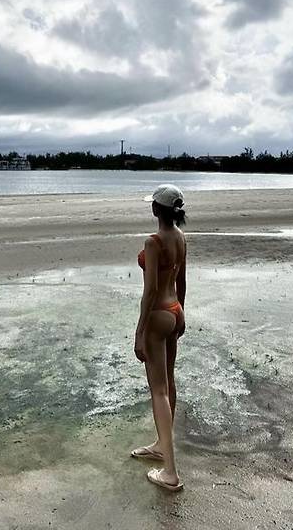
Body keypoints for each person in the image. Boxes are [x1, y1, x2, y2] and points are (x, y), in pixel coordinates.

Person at [131, 183, 187, 492]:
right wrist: (182, 314)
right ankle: (161, 444)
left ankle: (170, 472)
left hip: (157, 315)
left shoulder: (153, 243)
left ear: (156, 210)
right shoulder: (180, 237)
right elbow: (182, 281)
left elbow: (150, 291)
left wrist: (140, 331)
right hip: (174, 309)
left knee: (159, 390)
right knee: (169, 382)